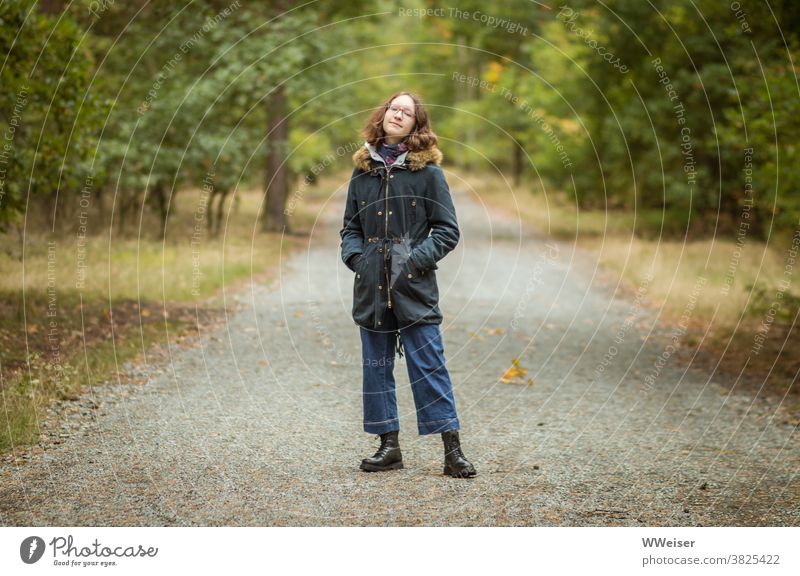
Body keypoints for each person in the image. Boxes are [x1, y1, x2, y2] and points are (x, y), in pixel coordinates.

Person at [339, 91, 477, 478]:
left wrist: (414, 260)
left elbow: (447, 230)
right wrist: (358, 260)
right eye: (393, 109)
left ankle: (453, 451)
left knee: (428, 365)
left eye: (407, 113)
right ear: (383, 115)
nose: (398, 115)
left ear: (417, 125)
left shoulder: (428, 173)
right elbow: (350, 227)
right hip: (371, 288)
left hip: (414, 286)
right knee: (377, 366)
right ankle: (389, 447)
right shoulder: (363, 170)